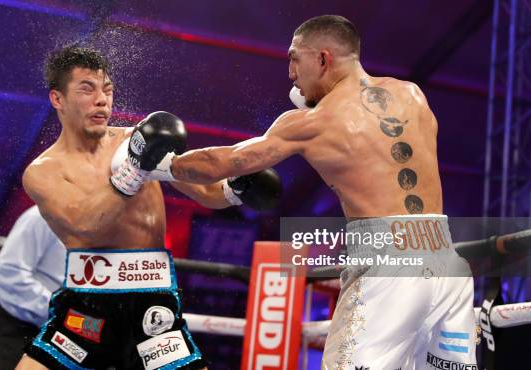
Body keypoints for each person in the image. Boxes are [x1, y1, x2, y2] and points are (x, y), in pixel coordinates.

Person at [132, 15, 477, 370]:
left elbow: (225, 163)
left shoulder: (313, 123)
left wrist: (162, 162)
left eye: (295, 58)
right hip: (446, 262)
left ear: (323, 59)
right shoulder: (413, 95)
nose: (291, 73)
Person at [16, 46, 281, 370]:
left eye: (108, 90)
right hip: (86, 311)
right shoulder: (44, 171)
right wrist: (133, 170)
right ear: (57, 99)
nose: (102, 100)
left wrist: (234, 189)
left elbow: (201, 188)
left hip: (153, 307)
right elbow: (83, 223)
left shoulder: (133, 141)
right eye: (87, 89)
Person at [0, 205, 66, 370]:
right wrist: (60, 312)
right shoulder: (41, 217)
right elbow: (8, 275)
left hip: (68, 337)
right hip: (21, 331)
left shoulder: (99, 225)